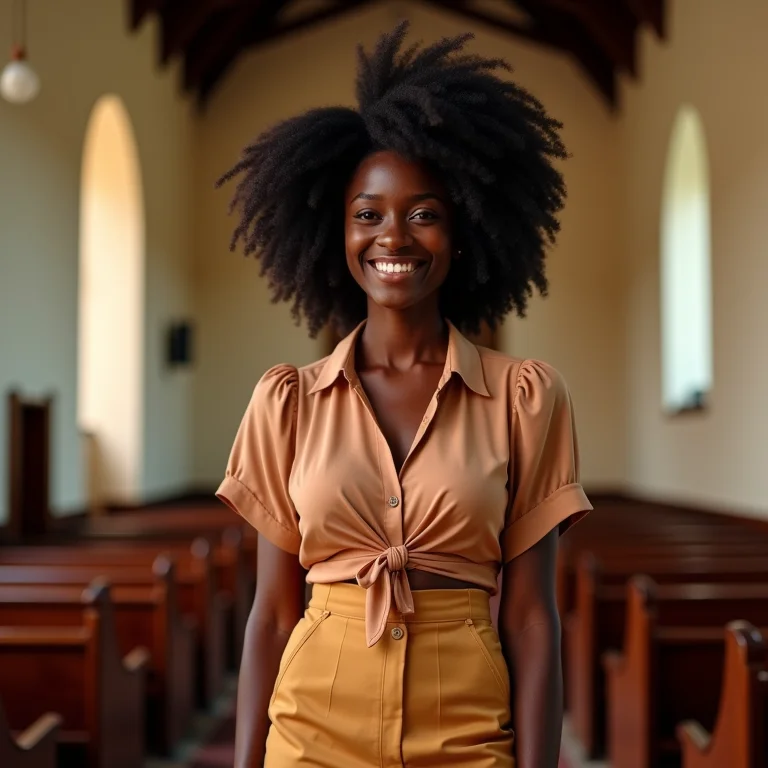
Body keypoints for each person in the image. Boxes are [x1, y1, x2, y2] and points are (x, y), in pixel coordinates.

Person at [215, 21, 592, 768]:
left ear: (465, 231)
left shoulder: (525, 398)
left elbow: (531, 618)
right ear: (336, 234)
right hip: (313, 726)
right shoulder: (285, 403)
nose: (394, 236)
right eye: (368, 215)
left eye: (424, 212)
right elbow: (272, 613)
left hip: (464, 729)